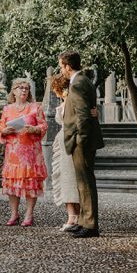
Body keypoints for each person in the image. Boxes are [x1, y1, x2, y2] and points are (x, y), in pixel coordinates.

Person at [59, 50, 104, 239]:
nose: (61, 70)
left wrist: (81, 139)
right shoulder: (84, 80)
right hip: (84, 139)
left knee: (85, 183)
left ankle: (90, 224)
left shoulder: (77, 83)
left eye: (61, 66)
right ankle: (85, 221)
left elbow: (83, 114)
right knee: (83, 182)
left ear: (68, 66)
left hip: (81, 141)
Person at [0, 77, 47, 226]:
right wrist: (4, 131)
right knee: (13, 183)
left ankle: (29, 214)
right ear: (13, 91)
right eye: (21, 88)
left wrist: (34, 129)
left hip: (31, 152)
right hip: (13, 152)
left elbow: (44, 125)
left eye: (26, 88)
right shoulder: (7, 109)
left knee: (30, 183)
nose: (24, 90)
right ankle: (14, 214)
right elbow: (1, 127)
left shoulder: (35, 107)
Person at [49, 72, 81, 231]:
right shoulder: (65, 102)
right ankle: (72, 215)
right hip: (62, 141)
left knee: (72, 178)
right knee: (65, 177)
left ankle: (75, 216)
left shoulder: (71, 102)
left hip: (70, 141)